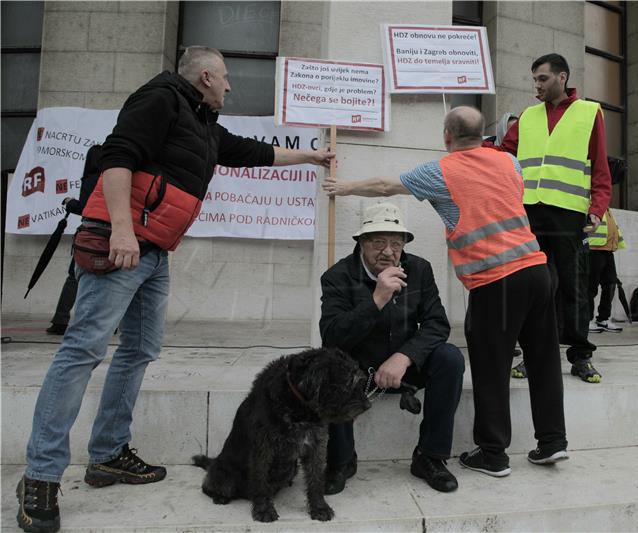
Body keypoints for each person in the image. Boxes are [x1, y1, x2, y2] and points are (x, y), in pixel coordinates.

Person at [16, 46, 334, 533]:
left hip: (154, 252)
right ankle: (40, 476)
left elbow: (254, 152)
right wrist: (121, 229)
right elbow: (117, 159)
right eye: (225, 78)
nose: (230, 86)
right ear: (205, 76)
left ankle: (108, 455)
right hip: (122, 244)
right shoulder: (161, 98)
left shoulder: (202, 122)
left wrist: (311, 156)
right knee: (82, 350)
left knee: (140, 349)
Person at [323, 106, 568, 479]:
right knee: (544, 360)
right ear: (483, 135)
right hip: (537, 270)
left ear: (446, 137)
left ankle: (493, 454)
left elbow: (387, 187)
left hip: (496, 280)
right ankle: (553, 443)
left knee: (491, 366)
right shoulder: (509, 163)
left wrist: (345, 187)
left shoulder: (441, 170)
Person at [320, 202, 464, 494]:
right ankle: (341, 460)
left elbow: (437, 324)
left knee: (450, 358)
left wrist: (405, 356)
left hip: (404, 369)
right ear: (361, 242)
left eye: (396, 244)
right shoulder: (338, 276)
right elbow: (332, 335)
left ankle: (429, 457)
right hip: (359, 372)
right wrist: (377, 299)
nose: (388, 252)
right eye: (378, 242)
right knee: (329, 362)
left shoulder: (419, 270)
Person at [495, 53, 612, 384]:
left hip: (568, 215)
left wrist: (597, 209)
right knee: (534, 287)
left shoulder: (589, 113)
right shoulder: (528, 117)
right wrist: (470, 150)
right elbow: (503, 155)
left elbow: (600, 169)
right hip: (528, 212)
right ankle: (534, 354)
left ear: (562, 77)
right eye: (534, 80)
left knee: (574, 287)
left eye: (542, 79)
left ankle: (580, 355)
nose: (537, 86)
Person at [46, 145, 102, 335]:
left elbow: (86, 209)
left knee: (74, 277)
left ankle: (61, 321)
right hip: (111, 233)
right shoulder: (110, 179)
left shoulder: (89, 180)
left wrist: (70, 203)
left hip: (89, 234)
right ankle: (108, 323)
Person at [588, 208, 626, 333]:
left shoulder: (607, 209)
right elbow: (580, 228)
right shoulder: (589, 204)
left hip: (608, 250)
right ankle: (586, 320)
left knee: (610, 284)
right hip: (593, 250)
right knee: (590, 286)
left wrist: (617, 244)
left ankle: (603, 319)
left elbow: (613, 228)